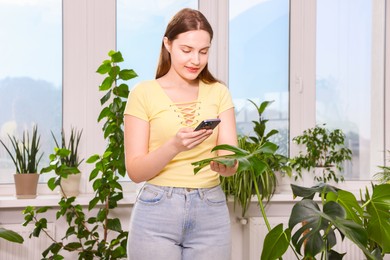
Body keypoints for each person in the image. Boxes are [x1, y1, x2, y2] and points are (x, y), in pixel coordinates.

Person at [124, 8, 238, 260]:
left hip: (211, 208)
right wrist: (174, 146)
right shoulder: (143, 94)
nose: (196, 60)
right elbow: (135, 171)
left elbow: (231, 158)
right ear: (168, 44)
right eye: (186, 50)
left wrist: (227, 165)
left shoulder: (219, 93)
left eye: (204, 51)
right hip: (156, 211)